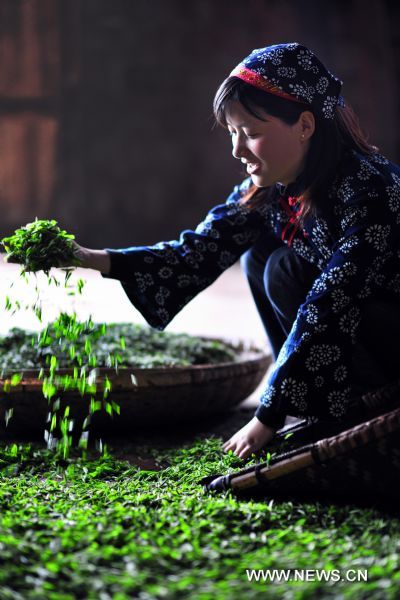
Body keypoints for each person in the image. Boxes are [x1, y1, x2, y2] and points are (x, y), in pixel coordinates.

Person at [14, 42, 400, 459]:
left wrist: (266, 416)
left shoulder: (370, 190)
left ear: (305, 126)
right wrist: (88, 258)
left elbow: (331, 306)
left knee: (283, 270)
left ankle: (355, 408)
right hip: (349, 336)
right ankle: (316, 404)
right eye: (233, 133)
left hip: (387, 336)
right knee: (260, 258)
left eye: (250, 134)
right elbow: (196, 251)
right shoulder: (274, 187)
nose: (237, 150)